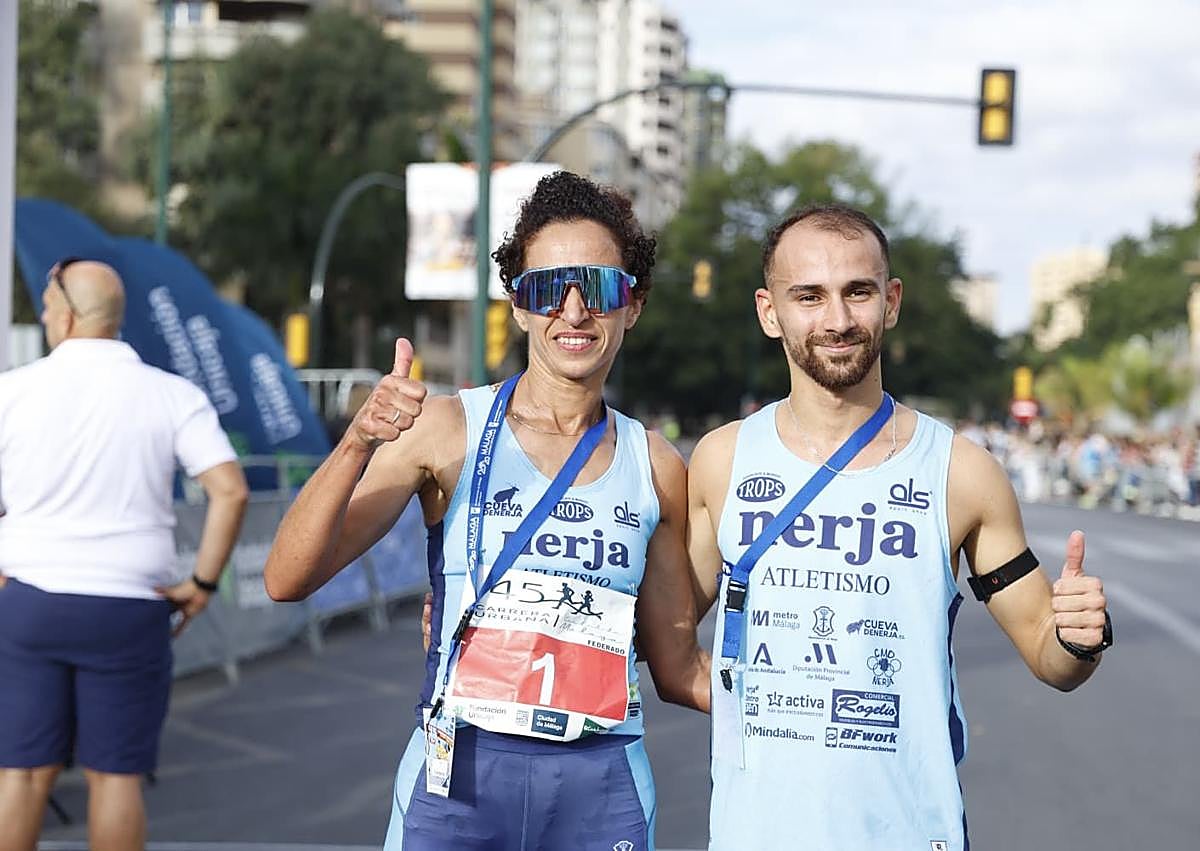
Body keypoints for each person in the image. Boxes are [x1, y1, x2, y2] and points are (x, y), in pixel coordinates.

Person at [264, 171, 708, 851]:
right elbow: (286, 576)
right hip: (460, 782)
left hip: (600, 788)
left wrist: (804, 693)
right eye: (546, 289)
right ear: (519, 305)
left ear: (633, 304)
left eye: (598, 287)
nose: (573, 310)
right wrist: (358, 438)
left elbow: (677, 666)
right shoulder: (445, 430)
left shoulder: (656, 465)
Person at [686, 204, 1111, 851]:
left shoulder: (962, 473)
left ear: (891, 301)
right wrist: (762, 700)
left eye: (857, 291)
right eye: (809, 295)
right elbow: (664, 630)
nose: (837, 319)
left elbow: (1049, 655)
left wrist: (1079, 636)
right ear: (770, 312)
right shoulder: (721, 460)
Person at [0, 259, 250, 851]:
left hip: (30, 601)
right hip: (128, 608)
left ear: (64, 314)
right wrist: (202, 584)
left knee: (22, 773)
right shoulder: (170, 395)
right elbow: (230, 489)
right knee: (114, 778)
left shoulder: (12, 390)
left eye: (44, 304)